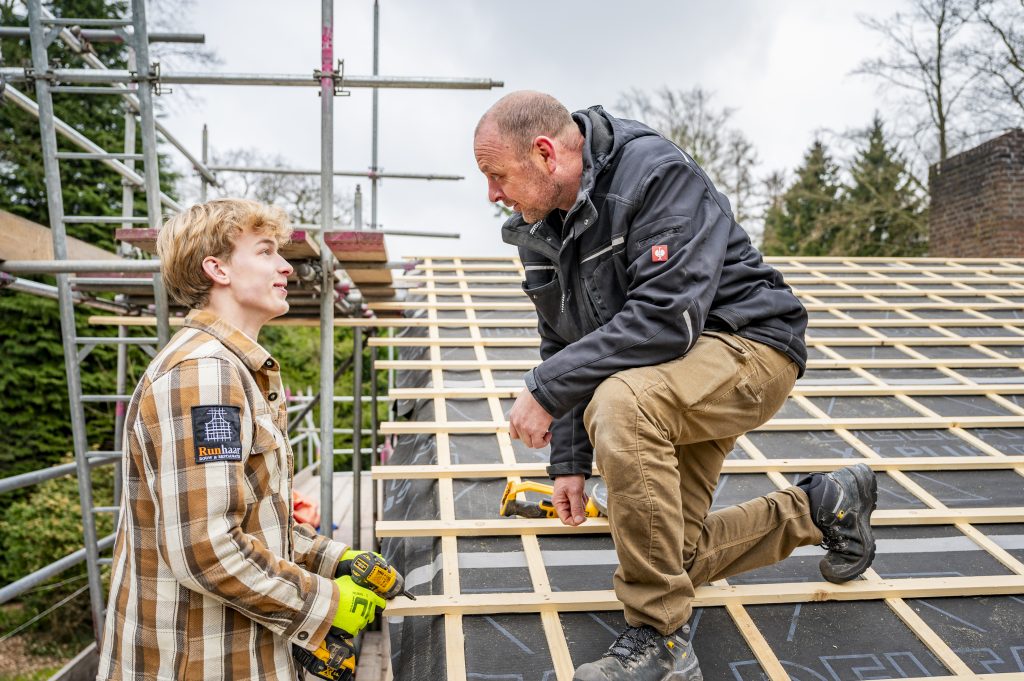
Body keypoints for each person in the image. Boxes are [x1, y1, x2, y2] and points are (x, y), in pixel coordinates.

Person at [474, 91, 878, 681]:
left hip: (749, 344)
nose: (492, 194)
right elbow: (564, 341)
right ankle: (822, 507)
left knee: (621, 405)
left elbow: (667, 318)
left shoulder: (655, 174)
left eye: (496, 175)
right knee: (667, 554)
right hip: (666, 372)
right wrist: (568, 461)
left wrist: (544, 388)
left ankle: (660, 640)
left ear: (544, 153)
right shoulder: (538, 230)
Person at [97, 198, 386, 680]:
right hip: (195, 665)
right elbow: (206, 549)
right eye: (267, 251)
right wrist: (326, 602)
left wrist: (335, 559)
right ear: (218, 269)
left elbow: (250, 521)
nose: (286, 267)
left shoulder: (230, 368)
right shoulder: (204, 375)